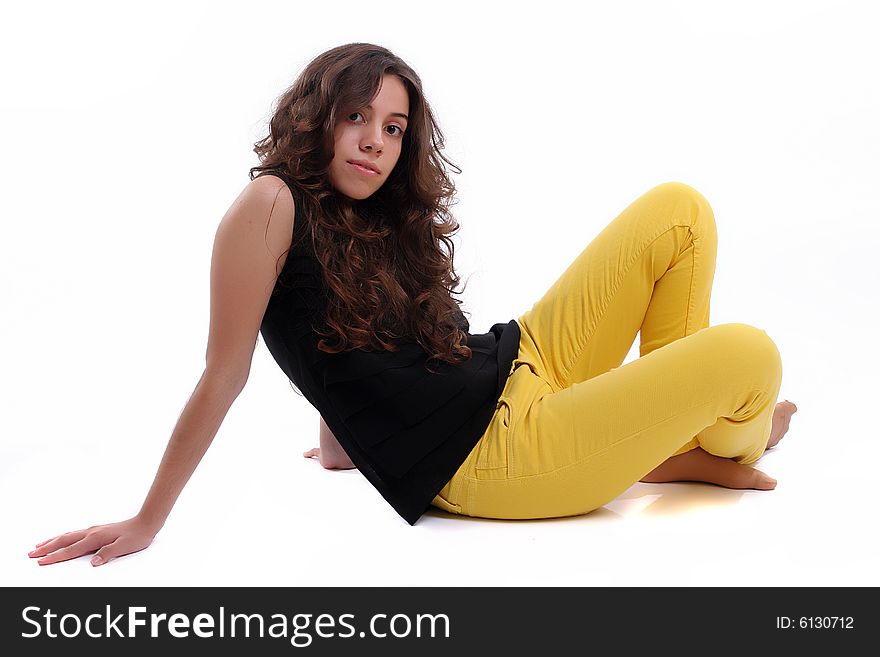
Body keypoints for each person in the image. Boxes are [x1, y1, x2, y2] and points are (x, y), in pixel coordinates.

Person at [29, 43, 797, 567]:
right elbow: (224, 374)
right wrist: (147, 520)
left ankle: (675, 442)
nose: (374, 142)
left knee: (679, 210)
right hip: (494, 455)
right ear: (315, 115)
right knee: (749, 355)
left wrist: (342, 443)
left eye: (393, 128)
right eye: (356, 117)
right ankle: (719, 440)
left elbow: (343, 343)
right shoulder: (267, 205)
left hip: (516, 364)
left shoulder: (376, 215)